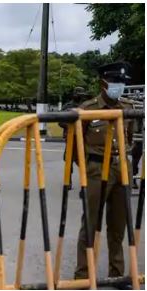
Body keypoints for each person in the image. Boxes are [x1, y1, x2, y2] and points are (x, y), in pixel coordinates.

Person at [74, 62, 135, 285]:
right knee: (90, 223)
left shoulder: (127, 107)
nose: (120, 86)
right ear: (103, 83)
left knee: (119, 225)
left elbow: (128, 139)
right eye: (116, 82)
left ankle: (117, 274)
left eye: (123, 83)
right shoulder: (88, 110)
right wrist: (86, 169)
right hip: (97, 168)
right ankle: (82, 274)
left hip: (122, 169)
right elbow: (73, 145)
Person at [58, 86, 88, 190]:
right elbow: (60, 121)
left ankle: (85, 182)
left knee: (84, 160)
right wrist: (71, 126)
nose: (78, 96)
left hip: (84, 137)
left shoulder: (86, 106)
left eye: (80, 94)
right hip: (71, 137)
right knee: (69, 159)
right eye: (77, 93)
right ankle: (68, 180)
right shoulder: (67, 107)